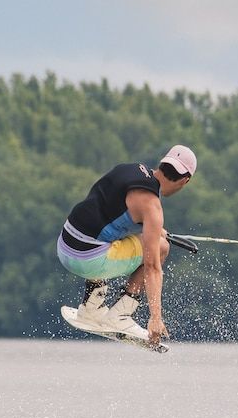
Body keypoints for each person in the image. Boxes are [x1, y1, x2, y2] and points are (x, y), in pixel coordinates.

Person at [57, 146, 196, 344]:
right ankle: (120, 316)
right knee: (161, 247)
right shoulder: (152, 207)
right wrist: (156, 318)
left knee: (107, 237)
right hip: (86, 261)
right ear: (185, 180)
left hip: (64, 247)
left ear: (162, 164)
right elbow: (152, 267)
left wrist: (149, 227)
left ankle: (91, 307)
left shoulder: (130, 169)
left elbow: (107, 209)